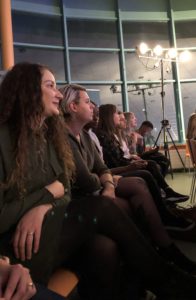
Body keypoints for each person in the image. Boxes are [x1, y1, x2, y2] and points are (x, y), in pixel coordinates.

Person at [1, 63, 196, 300]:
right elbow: (58, 190)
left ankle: (148, 283)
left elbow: (65, 189)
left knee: (104, 247)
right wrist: (46, 195)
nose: (59, 94)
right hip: (18, 247)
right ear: (26, 90)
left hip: (48, 228)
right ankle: (169, 279)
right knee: (106, 206)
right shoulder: (5, 140)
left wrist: (44, 206)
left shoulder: (46, 138)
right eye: (50, 86)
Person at [59, 83, 196, 274]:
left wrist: (106, 180)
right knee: (136, 187)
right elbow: (86, 181)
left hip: (97, 189)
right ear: (73, 107)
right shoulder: (64, 137)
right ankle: (163, 251)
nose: (93, 106)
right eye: (88, 102)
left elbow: (101, 167)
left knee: (139, 183)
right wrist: (108, 181)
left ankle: (162, 250)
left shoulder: (84, 135)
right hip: (81, 200)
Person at [96, 104, 189, 204]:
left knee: (158, 159)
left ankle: (165, 192)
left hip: (124, 162)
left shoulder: (112, 136)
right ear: (109, 117)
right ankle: (163, 197)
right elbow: (116, 161)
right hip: (117, 169)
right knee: (150, 167)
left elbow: (122, 157)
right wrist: (132, 162)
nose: (120, 117)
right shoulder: (105, 137)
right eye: (116, 114)